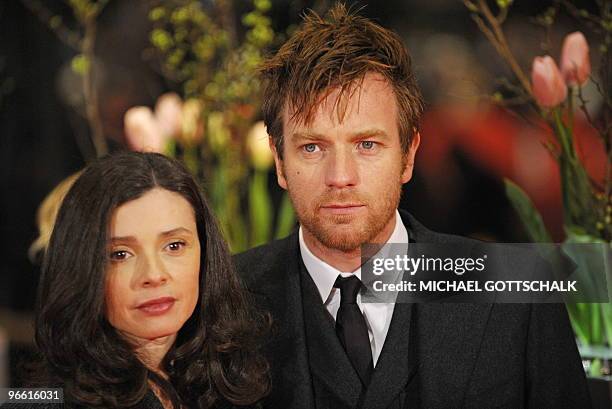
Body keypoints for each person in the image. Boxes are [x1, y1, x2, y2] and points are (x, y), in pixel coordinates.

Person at [234, 3, 591, 409]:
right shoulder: (222, 300)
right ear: (280, 162)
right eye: (312, 147)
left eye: (367, 145)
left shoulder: (517, 292)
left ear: (408, 156)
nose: (340, 176)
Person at [5, 152, 269, 408]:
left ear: (207, 252)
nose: (153, 275)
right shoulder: (45, 402)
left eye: (174, 246)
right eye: (120, 254)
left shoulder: (240, 377)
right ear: (81, 267)